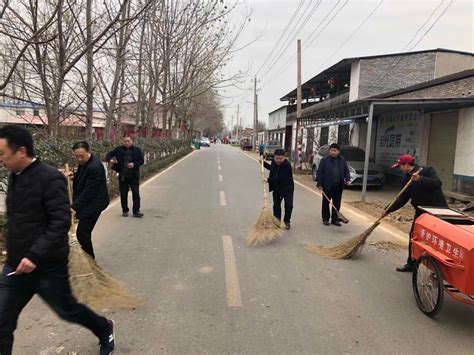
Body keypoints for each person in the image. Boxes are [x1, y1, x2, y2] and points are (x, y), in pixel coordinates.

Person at [0, 126, 115, 355]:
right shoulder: (15, 176)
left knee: (68, 310)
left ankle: (104, 328)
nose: (0, 158)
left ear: (21, 151)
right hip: (16, 267)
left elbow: (60, 222)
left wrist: (34, 255)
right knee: (2, 320)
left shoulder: (49, 177)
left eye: (2, 153)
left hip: (47, 266)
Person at [383, 155, 448, 272]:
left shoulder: (426, 170)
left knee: (438, 239)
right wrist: (388, 210)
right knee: (414, 236)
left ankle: (441, 269)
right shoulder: (406, 179)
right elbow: (402, 199)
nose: (400, 168)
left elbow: (437, 183)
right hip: (421, 212)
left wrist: (420, 179)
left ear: (407, 165)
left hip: (437, 211)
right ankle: (411, 263)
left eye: (400, 166)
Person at [67, 141, 109, 259]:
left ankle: (90, 260)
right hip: (89, 201)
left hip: (96, 202)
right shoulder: (85, 162)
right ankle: (87, 257)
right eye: (77, 156)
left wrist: (74, 207)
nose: (79, 159)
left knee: (83, 233)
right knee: (83, 233)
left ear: (89, 152)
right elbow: (83, 176)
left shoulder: (95, 167)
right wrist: (74, 176)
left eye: (82, 156)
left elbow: (89, 191)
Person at [106, 135, 144, 218]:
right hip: (123, 176)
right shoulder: (118, 150)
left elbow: (141, 161)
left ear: (131, 141)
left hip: (134, 175)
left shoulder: (137, 150)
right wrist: (110, 160)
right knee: (123, 194)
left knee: (136, 193)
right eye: (125, 141)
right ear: (122, 142)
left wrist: (134, 164)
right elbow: (108, 155)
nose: (127, 143)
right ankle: (125, 210)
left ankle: (136, 211)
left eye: (128, 141)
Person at [316, 143, 350, 226]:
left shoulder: (342, 160)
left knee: (337, 203)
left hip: (338, 186)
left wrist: (348, 179)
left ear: (338, 151)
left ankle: (335, 219)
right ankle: (325, 218)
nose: (333, 152)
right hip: (327, 185)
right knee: (326, 202)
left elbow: (346, 170)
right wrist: (319, 184)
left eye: (335, 151)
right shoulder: (324, 160)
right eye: (331, 150)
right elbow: (320, 172)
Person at [262, 149, 294, 230]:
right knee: (276, 206)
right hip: (277, 188)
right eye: (276, 158)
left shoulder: (287, 165)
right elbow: (271, 168)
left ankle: (287, 221)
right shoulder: (273, 162)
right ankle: (277, 222)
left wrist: (268, 180)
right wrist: (263, 163)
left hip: (287, 188)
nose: (278, 160)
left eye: (280, 158)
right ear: (274, 157)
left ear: (284, 157)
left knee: (289, 206)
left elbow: (281, 177)